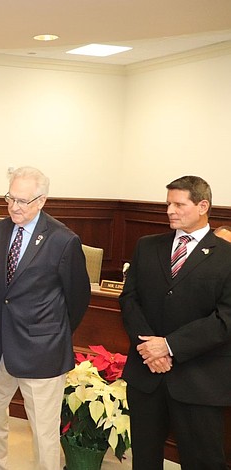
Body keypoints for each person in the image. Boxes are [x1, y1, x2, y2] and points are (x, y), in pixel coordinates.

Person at [0, 166, 91, 470]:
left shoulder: (63, 240)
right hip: (2, 345)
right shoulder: (0, 230)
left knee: (43, 432)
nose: (14, 207)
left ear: (42, 201)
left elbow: (78, 298)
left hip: (43, 352)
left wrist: (50, 332)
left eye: (23, 201)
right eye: (10, 198)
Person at [119, 175, 231, 469]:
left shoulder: (227, 257)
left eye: (179, 204)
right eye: (168, 203)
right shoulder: (147, 246)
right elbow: (129, 300)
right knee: (144, 458)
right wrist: (149, 348)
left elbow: (225, 318)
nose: (170, 210)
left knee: (203, 460)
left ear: (203, 205)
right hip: (147, 376)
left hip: (200, 381)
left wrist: (169, 346)